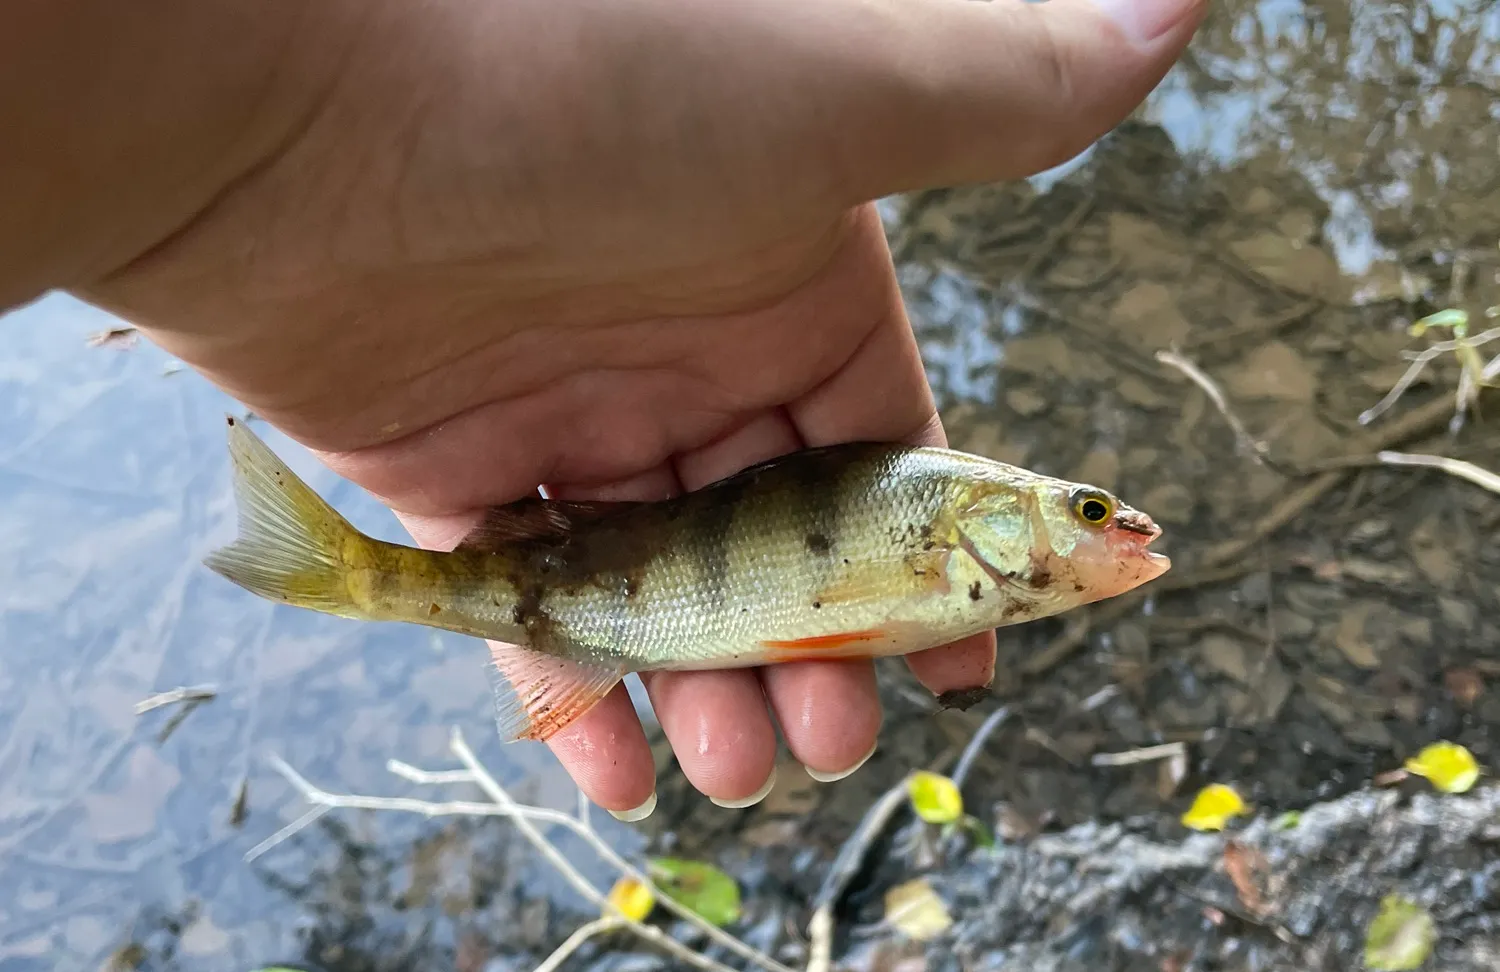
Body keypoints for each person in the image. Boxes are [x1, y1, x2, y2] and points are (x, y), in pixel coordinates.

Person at [6, 0, 1202, 818]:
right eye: (1087, 510)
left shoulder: (959, 554)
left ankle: (360, 574)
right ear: (989, 520)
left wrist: (277, 121)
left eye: (1099, 512)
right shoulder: (940, 537)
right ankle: (356, 572)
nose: (1118, 529)